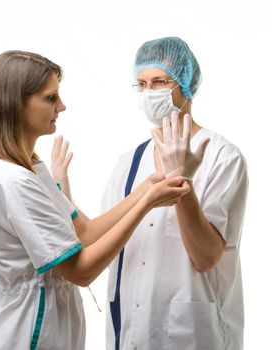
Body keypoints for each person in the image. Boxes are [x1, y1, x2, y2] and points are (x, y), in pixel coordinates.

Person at [0, 50, 190, 350]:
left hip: (52, 327)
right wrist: (146, 204)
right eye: (50, 98)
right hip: (25, 332)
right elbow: (80, 270)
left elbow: (84, 231)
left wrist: (143, 191)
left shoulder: (30, 168)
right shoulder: (13, 182)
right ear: (16, 104)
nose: (62, 106)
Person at [101, 37, 249, 350]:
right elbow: (104, 241)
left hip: (193, 334)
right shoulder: (129, 163)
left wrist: (183, 182)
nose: (148, 93)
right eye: (141, 84)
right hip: (130, 330)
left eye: (159, 82)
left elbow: (206, 256)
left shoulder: (223, 157)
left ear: (185, 83)